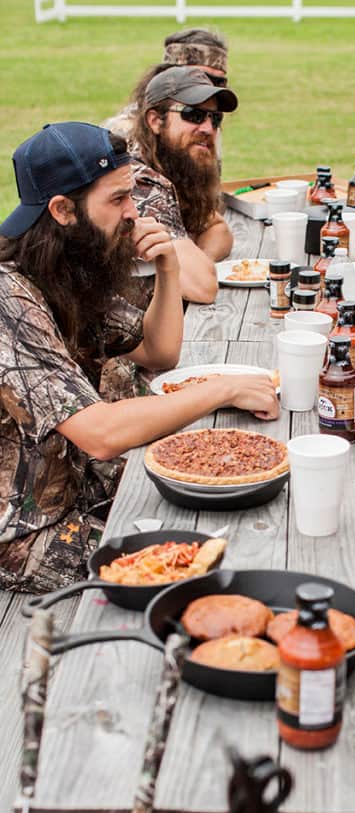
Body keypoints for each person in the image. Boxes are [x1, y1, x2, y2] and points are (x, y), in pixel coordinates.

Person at [0, 122, 278, 594]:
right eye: (117, 200)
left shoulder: (69, 262)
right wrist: (221, 388)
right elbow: (102, 435)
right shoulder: (9, 293)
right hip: (27, 533)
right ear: (63, 210)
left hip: (85, 490)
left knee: (235, 517)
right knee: (209, 569)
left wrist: (168, 266)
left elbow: (159, 352)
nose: (133, 213)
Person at [127, 66, 238, 307]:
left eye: (215, 118)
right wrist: (189, 264)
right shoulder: (138, 182)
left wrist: (197, 258)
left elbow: (219, 229)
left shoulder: (175, 166)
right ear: (156, 121)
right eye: (193, 115)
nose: (208, 128)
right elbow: (202, 287)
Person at [104, 27, 230, 143]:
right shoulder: (122, 134)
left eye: (219, 83)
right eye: (199, 77)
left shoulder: (207, 125)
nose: (209, 88)